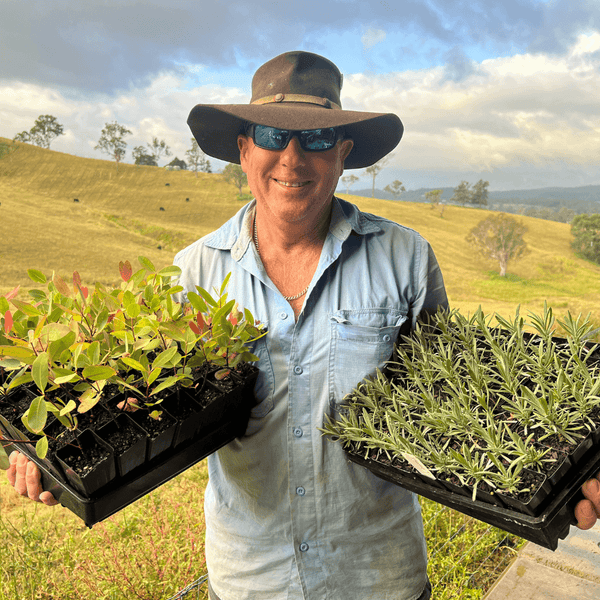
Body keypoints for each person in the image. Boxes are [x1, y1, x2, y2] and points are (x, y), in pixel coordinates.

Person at [6, 50, 600, 600]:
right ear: (244, 149)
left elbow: (466, 395)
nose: (292, 157)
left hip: (379, 572)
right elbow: (139, 398)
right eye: (272, 135)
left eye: (315, 137)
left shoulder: (405, 258)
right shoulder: (192, 273)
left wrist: (574, 465)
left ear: (342, 152)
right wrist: (41, 444)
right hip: (249, 575)